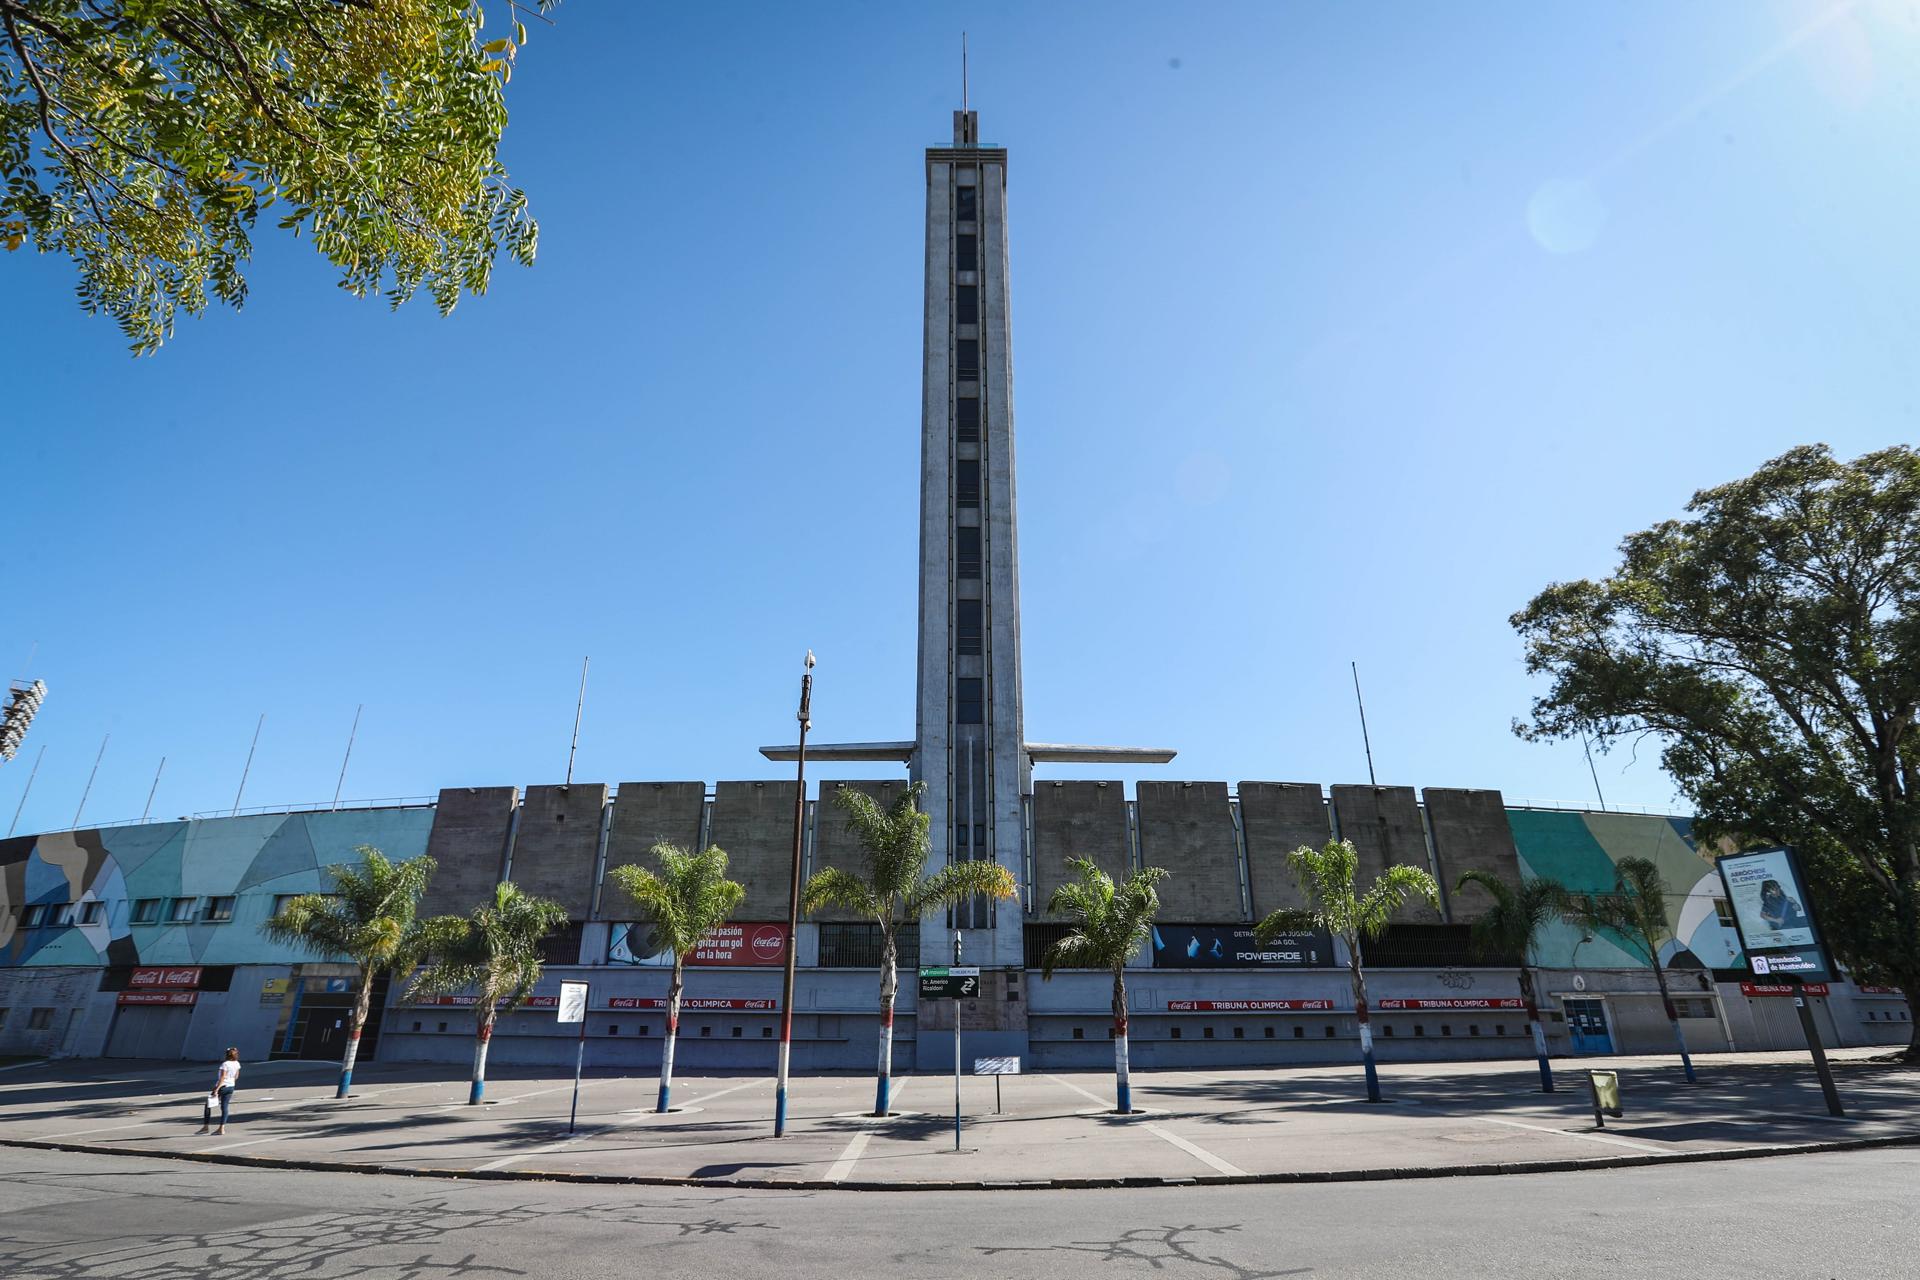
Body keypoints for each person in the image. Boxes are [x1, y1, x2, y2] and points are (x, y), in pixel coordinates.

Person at [197, 1047, 241, 1136]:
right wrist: (231, 1082)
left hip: (222, 1086)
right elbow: (236, 1076)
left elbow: (222, 1077)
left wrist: (216, 1089)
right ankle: (221, 1128)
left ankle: (205, 1127)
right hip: (231, 1086)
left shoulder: (225, 1064)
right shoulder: (237, 1063)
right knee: (224, 1107)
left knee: (208, 1105)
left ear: (227, 1055)